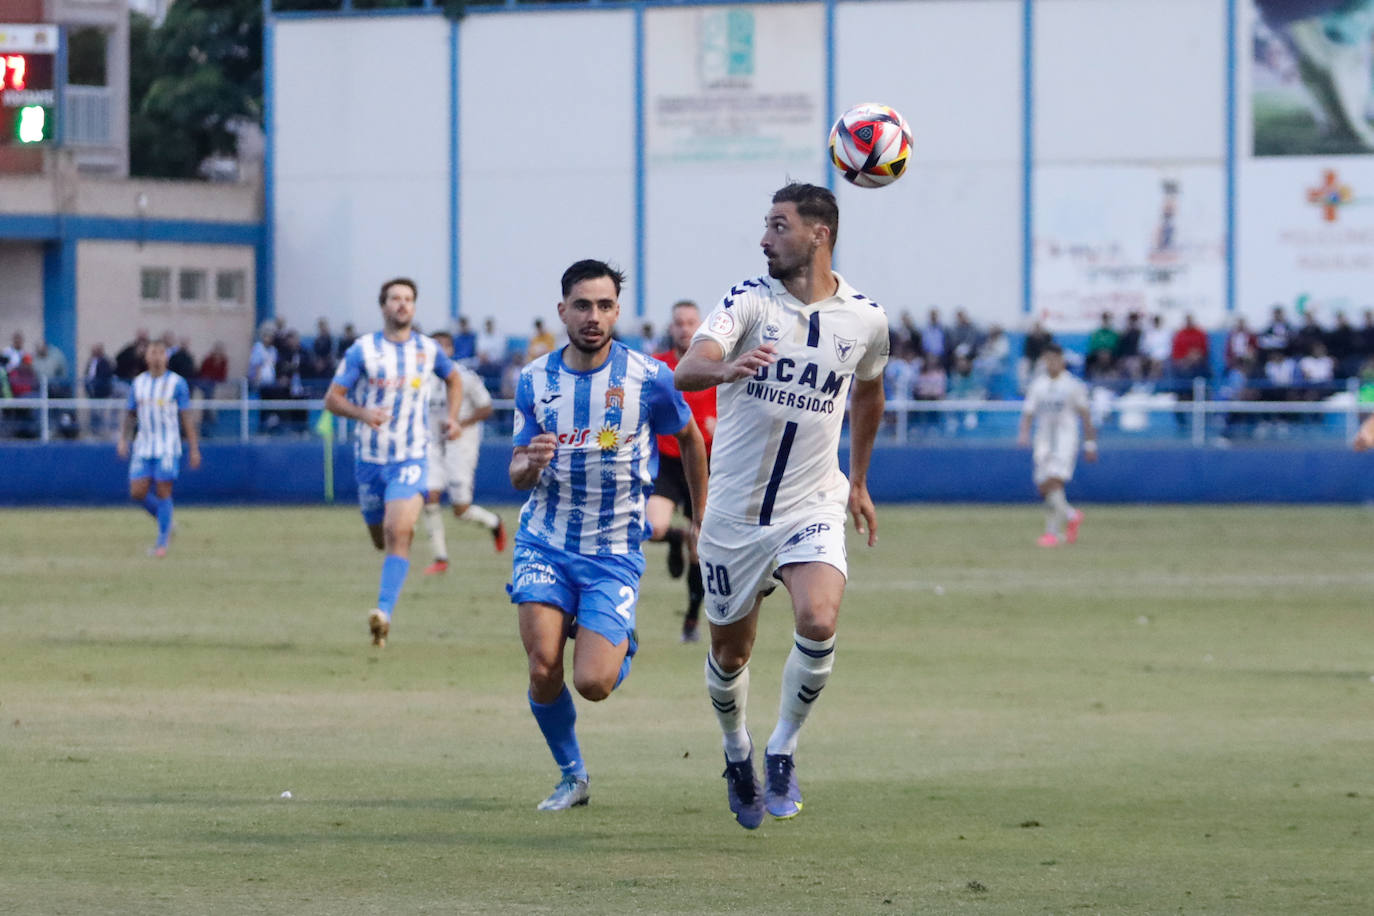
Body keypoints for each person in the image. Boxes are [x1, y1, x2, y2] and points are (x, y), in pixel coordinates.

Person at [674, 182, 889, 830]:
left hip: (811, 502)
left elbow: (869, 392)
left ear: (819, 234)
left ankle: (783, 748)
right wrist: (725, 370)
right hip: (735, 516)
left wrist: (857, 480)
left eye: (778, 226)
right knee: (730, 655)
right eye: (766, 226)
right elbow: (687, 367)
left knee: (818, 620)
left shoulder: (867, 319)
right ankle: (737, 751)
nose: (764, 238)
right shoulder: (747, 302)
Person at [508, 259, 706, 812]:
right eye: (581, 305)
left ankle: (620, 643)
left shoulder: (650, 378)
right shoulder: (534, 380)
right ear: (562, 311)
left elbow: (689, 441)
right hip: (544, 541)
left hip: (614, 551)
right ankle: (573, 776)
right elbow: (517, 472)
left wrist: (704, 516)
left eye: (604, 306)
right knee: (544, 665)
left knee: (593, 683)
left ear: (617, 311)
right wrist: (531, 462)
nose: (593, 317)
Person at [324, 278, 463, 648]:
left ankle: (383, 613)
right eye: (394, 299)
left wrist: (452, 418)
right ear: (383, 306)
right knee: (380, 537)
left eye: (408, 299)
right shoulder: (363, 351)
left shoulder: (428, 349)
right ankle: (393, 558)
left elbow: (454, 379)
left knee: (398, 530)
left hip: (412, 456)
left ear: (414, 307)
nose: (402, 305)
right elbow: (332, 399)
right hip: (370, 459)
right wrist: (361, 412)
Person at [648, 299, 717, 642]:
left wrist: (720, 427)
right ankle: (675, 536)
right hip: (665, 462)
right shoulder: (657, 367)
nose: (685, 328)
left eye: (691, 322)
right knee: (652, 527)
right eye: (679, 322)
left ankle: (691, 619)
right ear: (671, 327)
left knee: (700, 547)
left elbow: (737, 414)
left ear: (701, 325)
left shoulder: (714, 368)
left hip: (703, 465)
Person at [420, 329, 507, 575]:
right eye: (433, 345)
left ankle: (494, 522)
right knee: (430, 495)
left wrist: (460, 423)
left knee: (461, 509)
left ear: (450, 350)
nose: (438, 350)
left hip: (461, 446)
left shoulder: (465, 377)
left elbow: (486, 408)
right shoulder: (421, 378)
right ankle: (440, 557)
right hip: (433, 445)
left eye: (443, 345)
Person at [116, 338, 202, 556]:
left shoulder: (177, 383)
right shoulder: (138, 383)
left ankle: (162, 543)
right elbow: (130, 413)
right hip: (144, 445)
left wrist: (193, 448)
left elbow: (186, 417)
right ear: (146, 357)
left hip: (167, 446)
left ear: (166, 357)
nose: (156, 357)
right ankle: (168, 522)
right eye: (152, 353)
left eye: (160, 353)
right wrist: (123, 439)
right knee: (137, 491)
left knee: (164, 490)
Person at [1017, 343, 1097, 547]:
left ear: (1062, 360)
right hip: (1043, 440)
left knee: (1054, 481)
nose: (1051, 364)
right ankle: (1071, 515)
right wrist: (1024, 433)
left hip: (1065, 440)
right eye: (1047, 360)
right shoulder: (1038, 385)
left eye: (1054, 359)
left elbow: (1085, 414)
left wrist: (1090, 444)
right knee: (1044, 487)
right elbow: (1028, 412)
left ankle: (1051, 533)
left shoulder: (1072, 385)